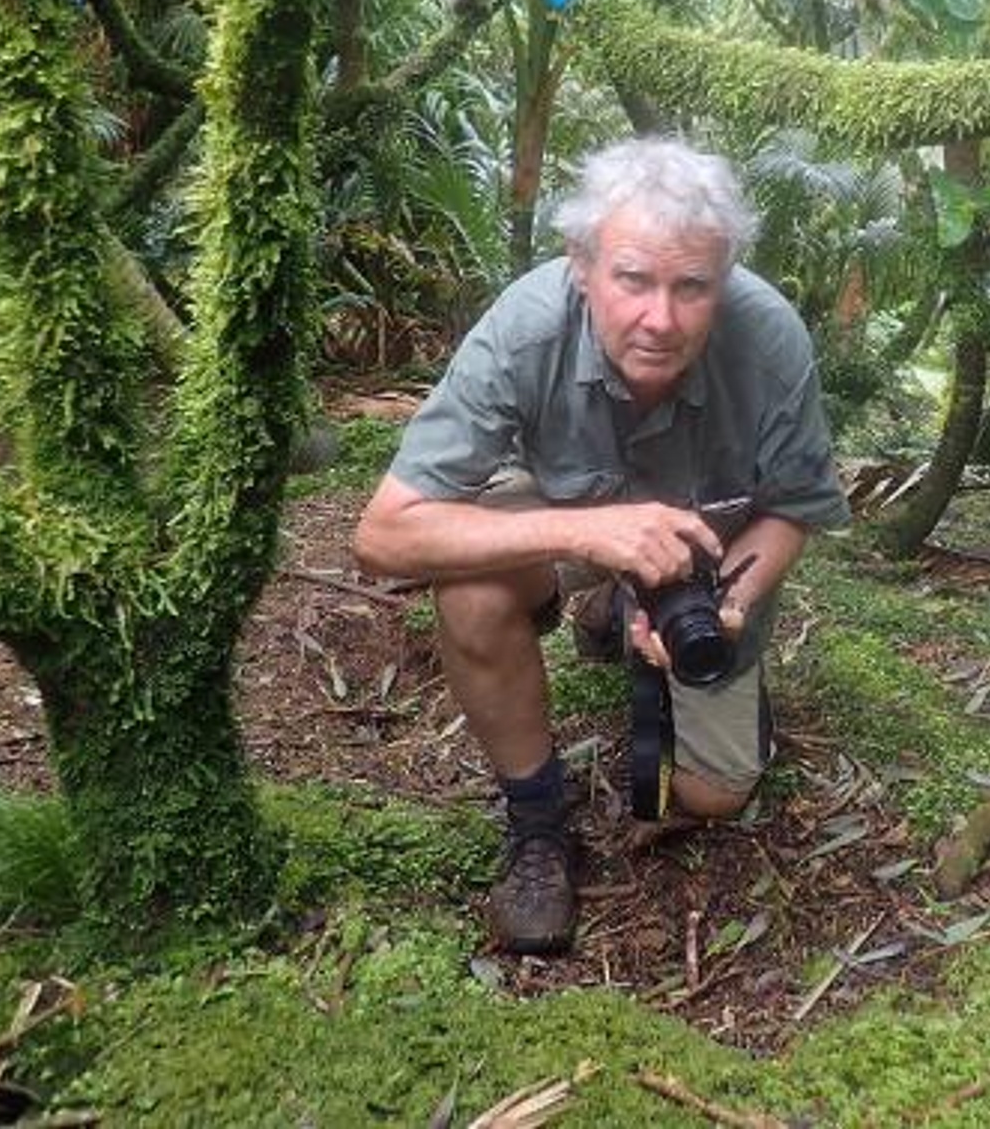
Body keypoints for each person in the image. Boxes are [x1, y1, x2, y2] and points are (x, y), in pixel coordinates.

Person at [352, 138, 850, 954]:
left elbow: (793, 507)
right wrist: (589, 532)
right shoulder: (526, 330)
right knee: (471, 594)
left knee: (713, 796)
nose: (661, 317)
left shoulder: (769, 339)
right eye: (633, 280)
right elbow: (383, 533)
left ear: (721, 281)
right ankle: (539, 825)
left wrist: (728, 605)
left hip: (706, 552)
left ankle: (633, 613)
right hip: (565, 511)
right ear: (583, 267)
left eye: (692, 286)